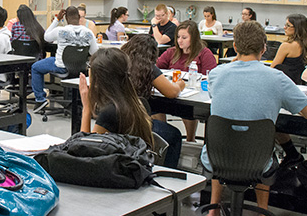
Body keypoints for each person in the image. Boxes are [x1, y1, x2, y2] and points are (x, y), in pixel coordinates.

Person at [202, 21, 307, 216]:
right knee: (260, 147)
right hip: (257, 161)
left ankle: (214, 211)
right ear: (264, 48)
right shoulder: (277, 78)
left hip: (217, 158)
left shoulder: (216, 74)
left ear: (234, 47)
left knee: (223, 141)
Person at [122, 34, 184, 167]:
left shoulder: (119, 63)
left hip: (118, 120)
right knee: (174, 134)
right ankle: (167, 173)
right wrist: (180, 84)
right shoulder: (148, 68)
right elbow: (172, 92)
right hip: (137, 123)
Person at [78, 47, 154, 147]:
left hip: (120, 162)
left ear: (97, 78)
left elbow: (85, 149)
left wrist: (86, 108)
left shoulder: (110, 113)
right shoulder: (139, 103)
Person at [156, 21, 217, 143]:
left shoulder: (204, 53)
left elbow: (211, 76)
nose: (180, 40)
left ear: (193, 38)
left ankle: (190, 139)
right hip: (173, 91)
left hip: (193, 95)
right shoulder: (171, 52)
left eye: (184, 37)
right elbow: (157, 67)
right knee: (155, 106)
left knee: (188, 110)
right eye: (178, 37)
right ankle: (162, 139)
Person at [32, 6, 98, 113]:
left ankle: (40, 100)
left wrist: (57, 19)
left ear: (66, 18)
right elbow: (94, 52)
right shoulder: (89, 33)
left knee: (35, 67)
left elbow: (46, 37)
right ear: (78, 17)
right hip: (80, 68)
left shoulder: (60, 31)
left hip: (61, 67)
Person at [272, 14, 307, 85]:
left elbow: (273, 68)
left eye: (288, 25)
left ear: (297, 28)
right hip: (298, 82)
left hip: (284, 82)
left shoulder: (286, 46)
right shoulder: (305, 44)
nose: (284, 27)